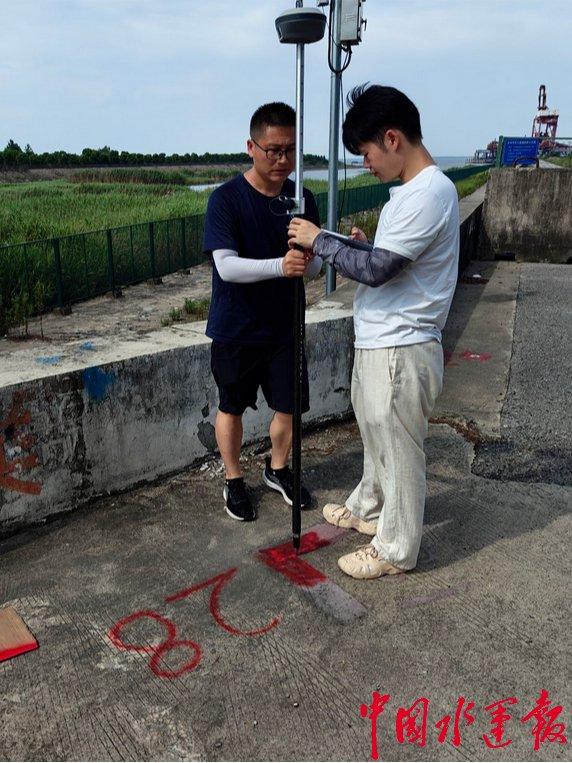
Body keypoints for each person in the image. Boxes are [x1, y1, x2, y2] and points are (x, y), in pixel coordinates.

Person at [288, 85, 459, 579]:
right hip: (380, 339)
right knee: (374, 434)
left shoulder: (432, 192)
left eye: (365, 154)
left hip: (402, 346)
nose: (366, 165)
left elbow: (381, 269)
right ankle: (369, 507)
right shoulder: (408, 195)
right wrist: (355, 246)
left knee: (400, 449)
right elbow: (389, 259)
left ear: (391, 138)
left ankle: (396, 549)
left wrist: (320, 241)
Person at [203, 102, 322, 522]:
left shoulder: (301, 197)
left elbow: (316, 258)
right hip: (236, 327)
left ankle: (278, 469)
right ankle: (234, 479)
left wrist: (312, 262)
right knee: (231, 405)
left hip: (286, 326)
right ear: (251, 146)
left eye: (290, 150)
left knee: (289, 405)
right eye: (272, 149)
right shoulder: (226, 200)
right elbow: (226, 265)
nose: (282, 160)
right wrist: (279, 266)